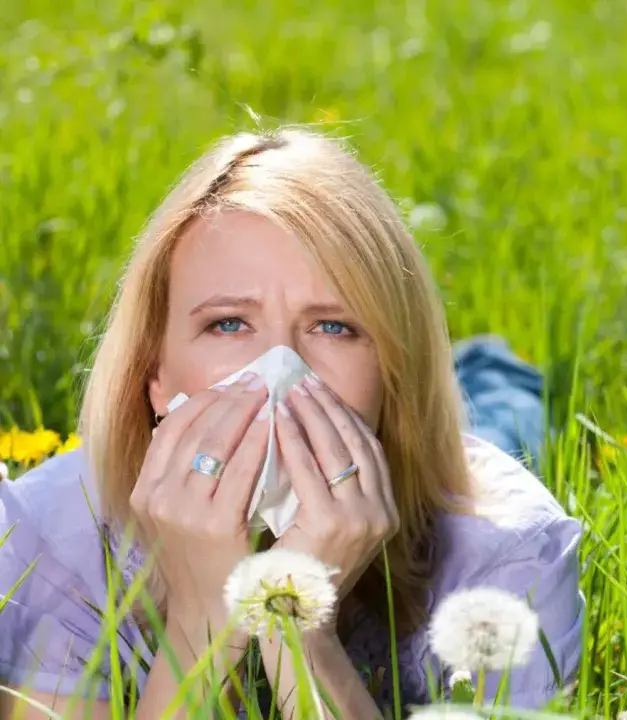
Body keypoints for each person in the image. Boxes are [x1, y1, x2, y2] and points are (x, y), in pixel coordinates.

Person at [0, 128, 583, 719]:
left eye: (334, 327)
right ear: (154, 373)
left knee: (503, 417)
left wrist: (296, 625)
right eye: (228, 324)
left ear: (394, 376)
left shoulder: (508, 556)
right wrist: (204, 620)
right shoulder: (48, 543)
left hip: (451, 462)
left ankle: (497, 375)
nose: (281, 371)